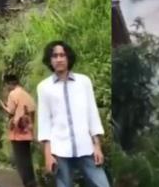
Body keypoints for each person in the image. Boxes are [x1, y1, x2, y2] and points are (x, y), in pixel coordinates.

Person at [36, 41, 109, 187]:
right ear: (49, 60)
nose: (59, 59)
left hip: (86, 147)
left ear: (68, 57)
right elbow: (44, 122)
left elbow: (92, 113)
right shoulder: (44, 87)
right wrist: (48, 154)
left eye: (62, 55)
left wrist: (97, 146)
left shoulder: (83, 82)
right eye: (54, 56)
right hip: (60, 150)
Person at [0, 74, 37, 187]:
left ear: (9, 84)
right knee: (27, 160)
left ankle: (28, 183)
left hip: (17, 132)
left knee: (21, 161)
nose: (6, 88)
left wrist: (2, 106)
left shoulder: (13, 94)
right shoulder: (26, 94)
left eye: (6, 85)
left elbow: (10, 111)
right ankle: (32, 182)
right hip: (28, 131)